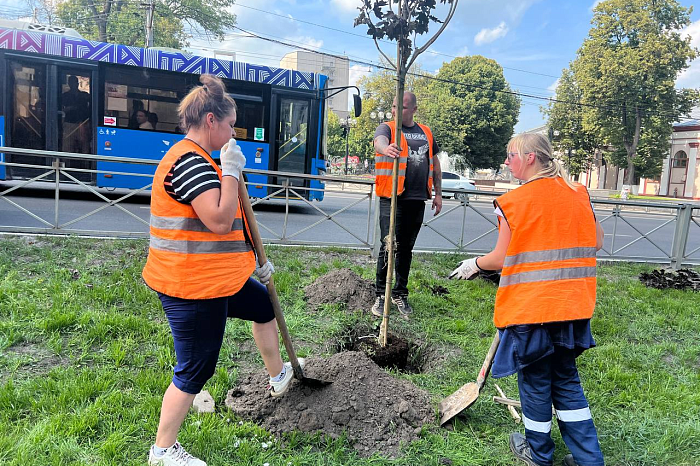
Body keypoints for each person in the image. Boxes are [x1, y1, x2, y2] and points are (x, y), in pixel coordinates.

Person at [142, 74, 300, 466]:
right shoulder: (190, 161)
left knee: (263, 305)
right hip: (191, 287)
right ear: (211, 120)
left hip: (216, 279)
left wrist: (255, 262)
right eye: (230, 125)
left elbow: (228, 229)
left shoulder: (201, 158)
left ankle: (278, 375)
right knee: (196, 368)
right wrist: (230, 169)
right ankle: (163, 451)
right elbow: (217, 218)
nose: (233, 134)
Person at [448, 133, 606, 466]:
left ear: (530, 157)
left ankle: (538, 453)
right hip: (573, 307)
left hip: (532, 310)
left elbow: (500, 258)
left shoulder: (514, 202)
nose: (507, 162)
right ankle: (589, 460)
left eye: (511, 156)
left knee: (534, 382)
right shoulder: (579, 193)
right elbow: (597, 242)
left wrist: (473, 264)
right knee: (565, 380)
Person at [371, 91, 442, 319]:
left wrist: (438, 194)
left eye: (400, 107)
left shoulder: (426, 133)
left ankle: (399, 293)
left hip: (416, 199)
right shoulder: (388, 128)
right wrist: (386, 148)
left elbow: (435, 163)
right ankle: (381, 293)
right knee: (388, 246)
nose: (395, 111)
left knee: (406, 250)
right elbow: (378, 141)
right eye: (393, 106)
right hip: (392, 198)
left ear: (413, 109)